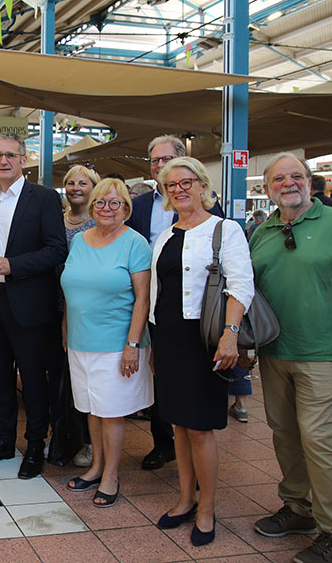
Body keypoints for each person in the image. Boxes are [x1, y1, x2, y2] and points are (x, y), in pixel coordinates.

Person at [250, 153, 332, 563]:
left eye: (297, 176)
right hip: (274, 353)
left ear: (309, 182)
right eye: (279, 178)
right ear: (267, 188)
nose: (289, 183)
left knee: (320, 441)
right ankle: (299, 509)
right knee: (284, 436)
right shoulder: (261, 232)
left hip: (323, 354)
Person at [150, 157, 253, 547]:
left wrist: (230, 335)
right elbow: (158, 292)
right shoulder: (164, 236)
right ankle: (184, 499)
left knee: (199, 427)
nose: (178, 189)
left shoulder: (225, 229)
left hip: (205, 338)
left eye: (186, 182)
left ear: (202, 184)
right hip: (170, 337)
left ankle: (207, 507)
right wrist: (154, 342)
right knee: (177, 422)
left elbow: (241, 285)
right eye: (171, 185)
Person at [126, 135, 224, 472]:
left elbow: (231, 272)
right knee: (162, 390)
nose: (159, 166)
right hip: (157, 310)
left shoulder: (214, 215)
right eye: (154, 161)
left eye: (165, 159)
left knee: (195, 409)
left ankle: (199, 471)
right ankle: (161, 444)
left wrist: (231, 330)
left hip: (198, 318)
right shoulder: (137, 206)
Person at [0, 133, 67, 480]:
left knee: (31, 379)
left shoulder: (42, 198)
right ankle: (5, 440)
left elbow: (57, 249)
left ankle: (35, 445)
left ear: (24, 159)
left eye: (11, 155)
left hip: (28, 302)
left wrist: (15, 264)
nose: (3, 161)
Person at [62, 178, 152, 507]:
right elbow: (72, 289)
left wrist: (132, 345)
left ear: (126, 209)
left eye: (115, 203)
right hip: (79, 340)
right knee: (91, 409)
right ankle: (96, 466)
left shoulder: (136, 243)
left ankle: (111, 475)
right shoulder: (80, 241)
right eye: (100, 202)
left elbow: (143, 299)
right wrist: (65, 329)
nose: (106, 209)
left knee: (111, 412)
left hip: (116, 343)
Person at [58, 165, 100, 468]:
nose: (75, 188)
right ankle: (66, 435)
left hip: (89, 311)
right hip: (57, 307)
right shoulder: (57, 220)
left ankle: (89, 441)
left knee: (89, 381)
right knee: (62, 380)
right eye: (70, 183)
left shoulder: (100, 222)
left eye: (82, 183)